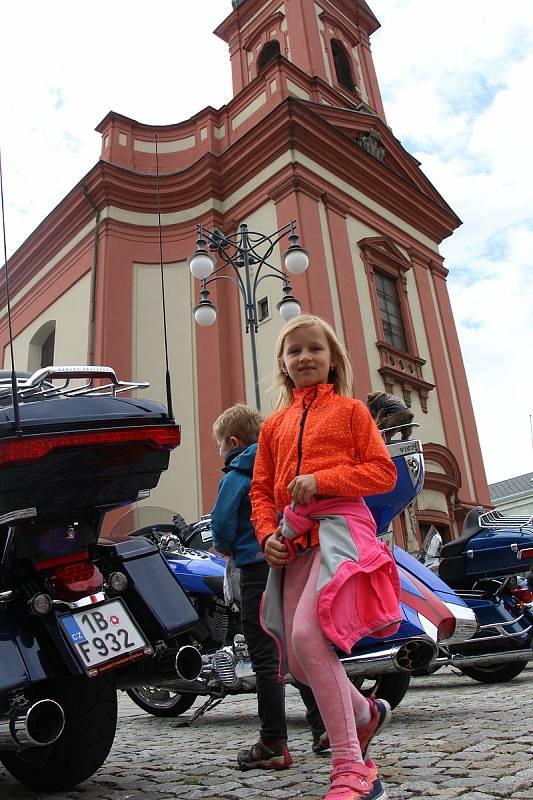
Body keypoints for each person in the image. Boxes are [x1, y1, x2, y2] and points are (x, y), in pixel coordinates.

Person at [250, 315, 400, 800]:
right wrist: (268, 534)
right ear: (284, 364)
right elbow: (259, 491)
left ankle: (355, 770)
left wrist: (324, 480)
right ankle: (364, 713)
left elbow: (382, 473)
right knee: (296, 658)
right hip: (293, 544)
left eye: (315, 349)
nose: (305, 357)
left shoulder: (353, 411)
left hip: (339, 533)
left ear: (332, 359)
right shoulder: (273, 425)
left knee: (308, 641)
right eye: (295, 351)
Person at [210, 403, 324, 771]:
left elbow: (222, 529)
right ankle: (323, 727)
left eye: (219, 448)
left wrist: (230, 547)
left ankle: (273, 742)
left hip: (256, 570)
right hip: (291, 564)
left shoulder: (235, 477)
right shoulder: (281, 469)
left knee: (265, 657)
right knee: (296, 650)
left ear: (232, 441)